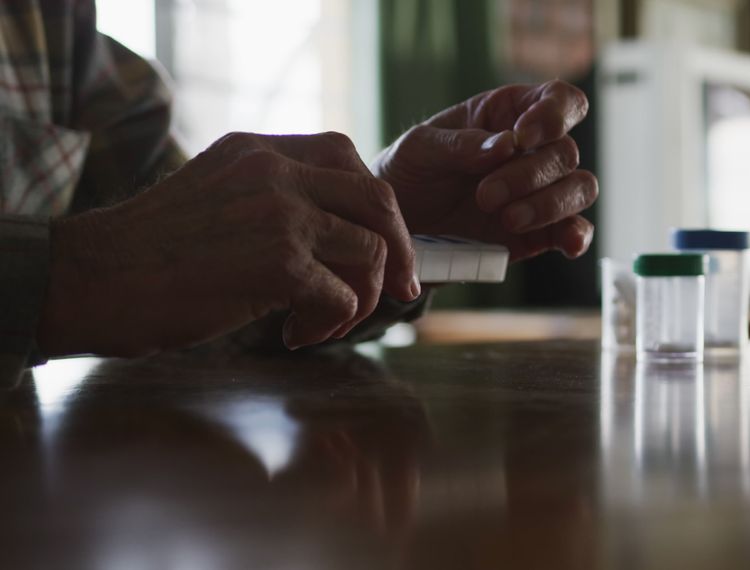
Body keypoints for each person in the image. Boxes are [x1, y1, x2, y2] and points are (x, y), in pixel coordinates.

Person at [0, 1, 598, 385]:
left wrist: (378, 223)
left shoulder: (51, 24)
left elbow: (206, 285)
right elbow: (138, 264)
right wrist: (75, 274)